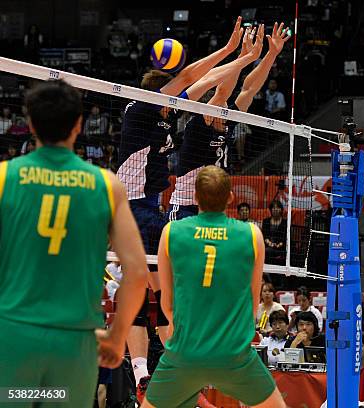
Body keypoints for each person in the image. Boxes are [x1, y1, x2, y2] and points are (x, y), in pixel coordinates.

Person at [117, 19, 253, 395]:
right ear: (163, 94)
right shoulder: (145, 108)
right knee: (158, 292)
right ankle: (181, 358)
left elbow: (204, 84)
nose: (180, 98)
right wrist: (229, 51)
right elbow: (193, 76)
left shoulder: (162, 115)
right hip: (133, 209)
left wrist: (244, 57)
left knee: (159, 293)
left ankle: (150, 370)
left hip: (146, 210)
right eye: (174, 93)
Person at [0, 80, 148, 406]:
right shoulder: (106, 185)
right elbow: (137, 272)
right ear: (79, 125)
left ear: (30, 124)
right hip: (75, 341)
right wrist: (117, 337)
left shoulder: (4, 178)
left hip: (12, 335)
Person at [142, 165, 285, 408]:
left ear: (195, 197)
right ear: (230, 197)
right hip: (233, 354)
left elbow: (166, 302)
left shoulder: (171, 232)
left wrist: (189, 341)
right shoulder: (252, 234)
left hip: (185, 353)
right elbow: (252, 300)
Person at [169, 23, 290, 221]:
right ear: (210, 108)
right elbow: (222, 92)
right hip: (185, 207)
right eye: (222, 108)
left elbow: (249, 90)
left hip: (214, 208)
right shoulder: (197, 126)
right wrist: (244, 56)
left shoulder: (227, 122)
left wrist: (271, 54)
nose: (227, 111)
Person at [262, 200, 288, 265]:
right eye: (273, 208)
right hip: (268, 245)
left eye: (277, 208)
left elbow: (286, 236)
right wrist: (269, 243)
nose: (275, 209)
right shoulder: (266, 221)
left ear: (281, 209)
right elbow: (264, 235)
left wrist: (279, 244)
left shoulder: (286, 222)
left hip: (282, 246)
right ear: (271, 210)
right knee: (267, 251)